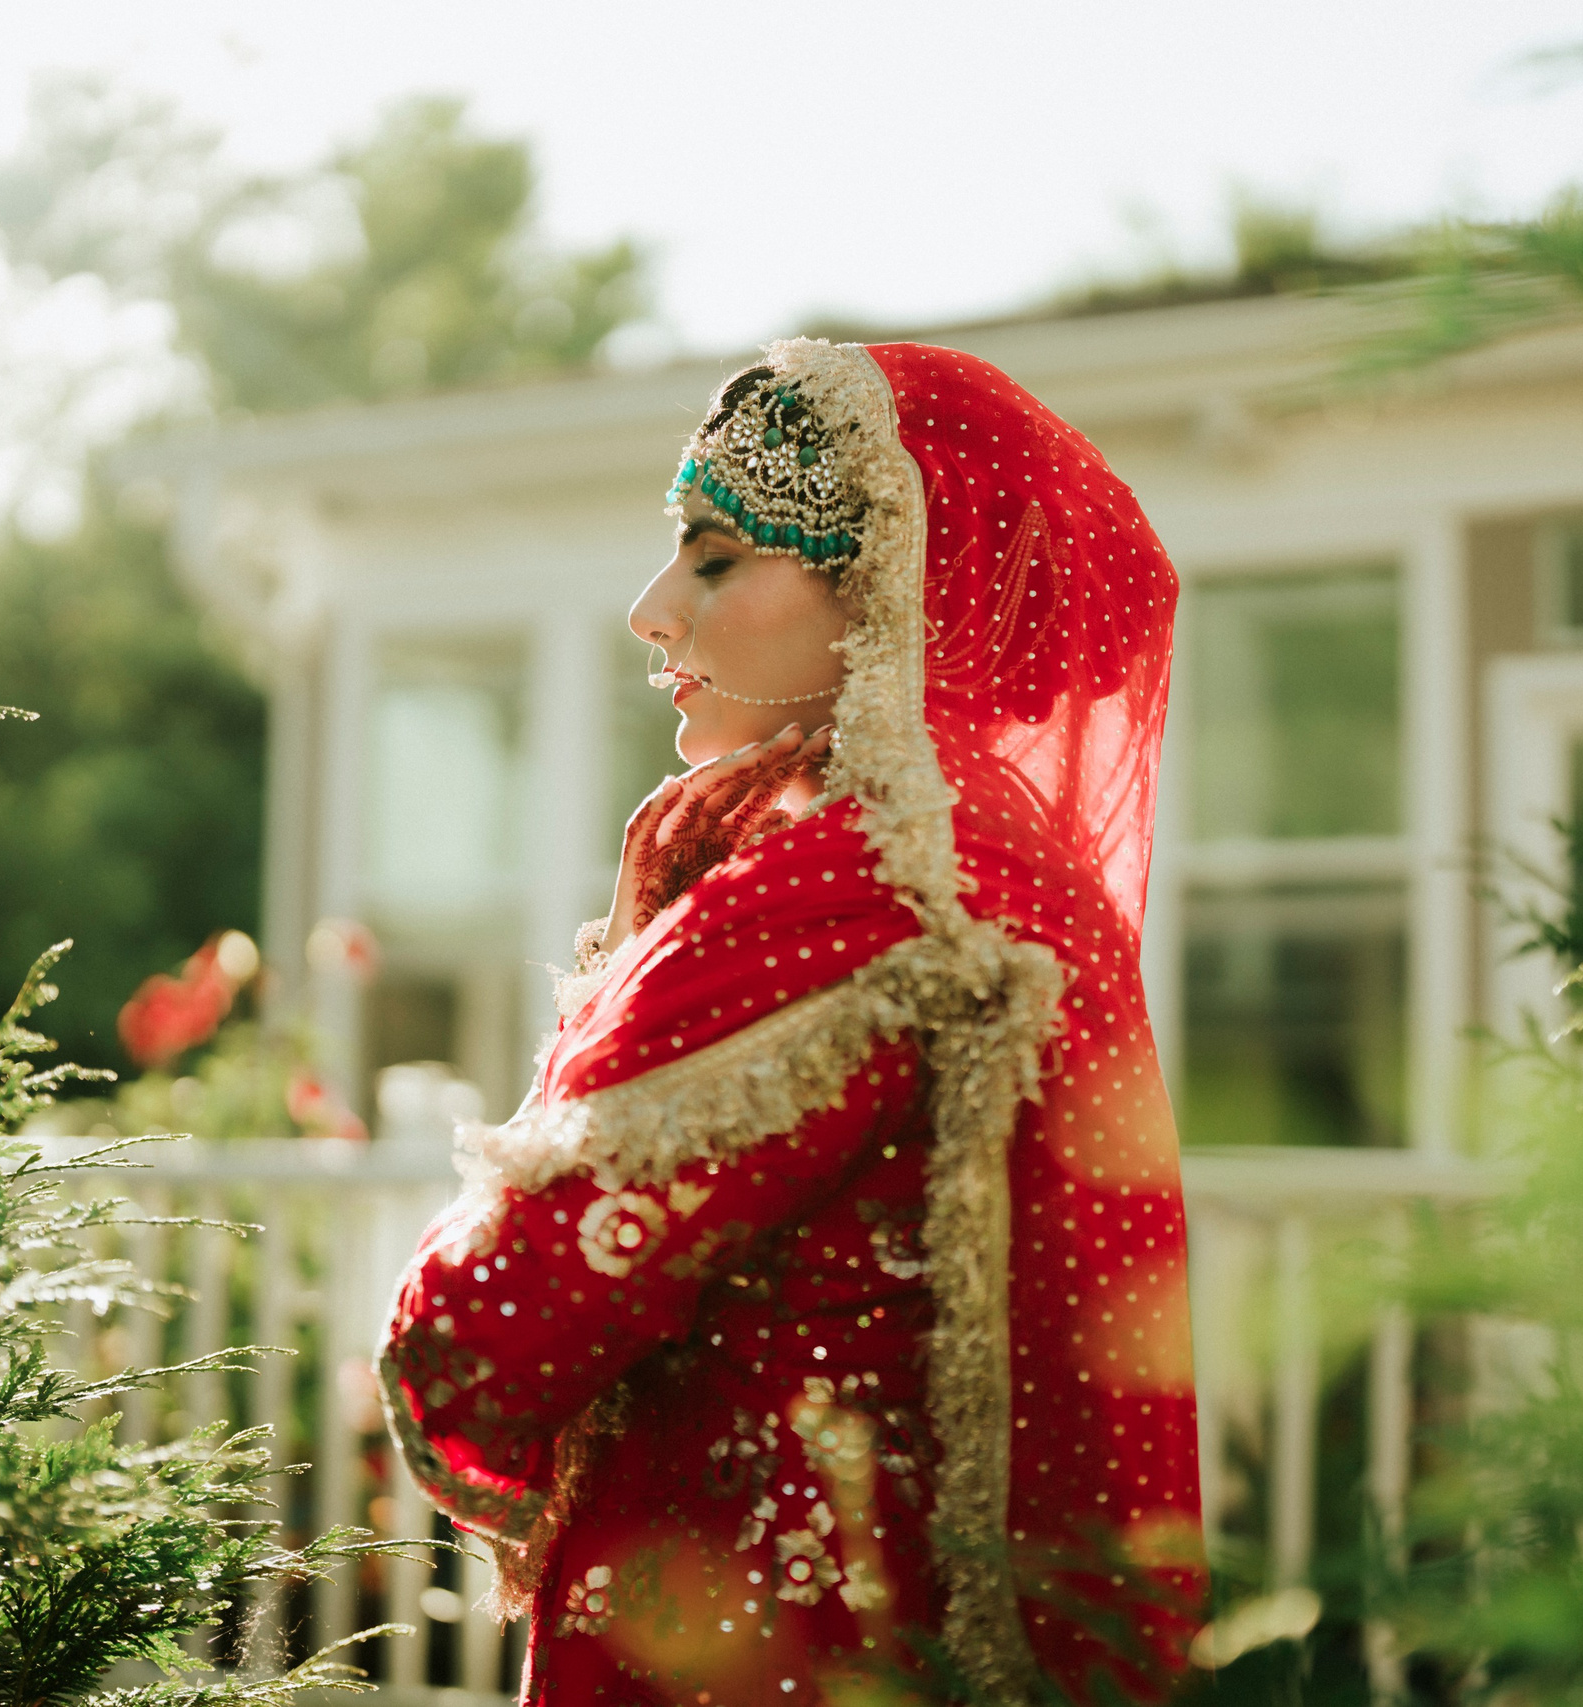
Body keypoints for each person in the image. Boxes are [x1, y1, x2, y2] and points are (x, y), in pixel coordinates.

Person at [378, 339, 1204, 1706]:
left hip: (744, 1644)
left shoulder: (853, 876)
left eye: (714, 557)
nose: (653, 612)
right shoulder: (1020, 873)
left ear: (889, 591)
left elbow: (483, 1332)